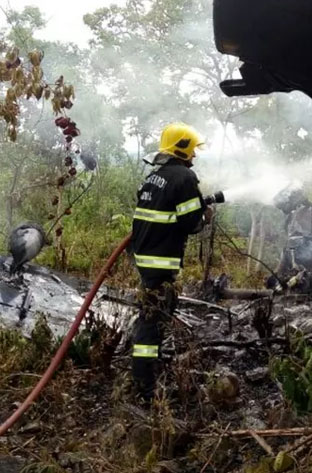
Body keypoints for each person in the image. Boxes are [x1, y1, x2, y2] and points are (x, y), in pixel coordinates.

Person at [129, 122, 213, 402]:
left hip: (145, 257)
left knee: (154, 314)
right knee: (153, 318)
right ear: (182, 148)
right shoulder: (185, 178)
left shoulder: (155, 176)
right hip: (160, 259)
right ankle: (144, 383)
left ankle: (147, 368)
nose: (195, 156)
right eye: (192, 150)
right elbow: (191, 223)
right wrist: (205, 218)